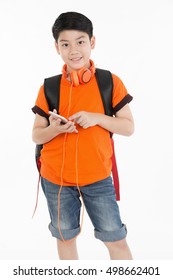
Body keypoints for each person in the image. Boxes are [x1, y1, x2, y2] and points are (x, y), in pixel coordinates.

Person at [32, 11, 134, 260]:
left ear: (92, 42)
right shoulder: (49, 87)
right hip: (55, 179)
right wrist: (54, 129)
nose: (73, 50)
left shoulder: (109, 82)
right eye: (65, 44)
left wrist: (96, 117)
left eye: (80, 42)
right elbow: (36, 135)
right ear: (57, 47)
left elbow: (128, 127)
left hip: (98, 178)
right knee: (65, 238)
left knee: (116, 240)